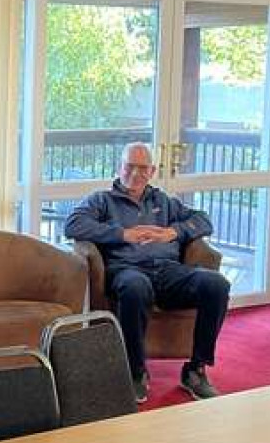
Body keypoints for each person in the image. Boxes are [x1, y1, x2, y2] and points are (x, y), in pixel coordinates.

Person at [65, 141, 230, 402]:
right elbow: (74, 225)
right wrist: (123, 234)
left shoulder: (163, 201)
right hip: (127, 271)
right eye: (130, 166)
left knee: (216, 284)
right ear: (120, 167)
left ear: (152, 171)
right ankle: (136, 371)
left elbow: (203, 220)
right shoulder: (102, 200)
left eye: (143, 168)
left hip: (168, 272)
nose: (135, 173)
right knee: (136, 287)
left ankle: (196, 370)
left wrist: (174, 232)